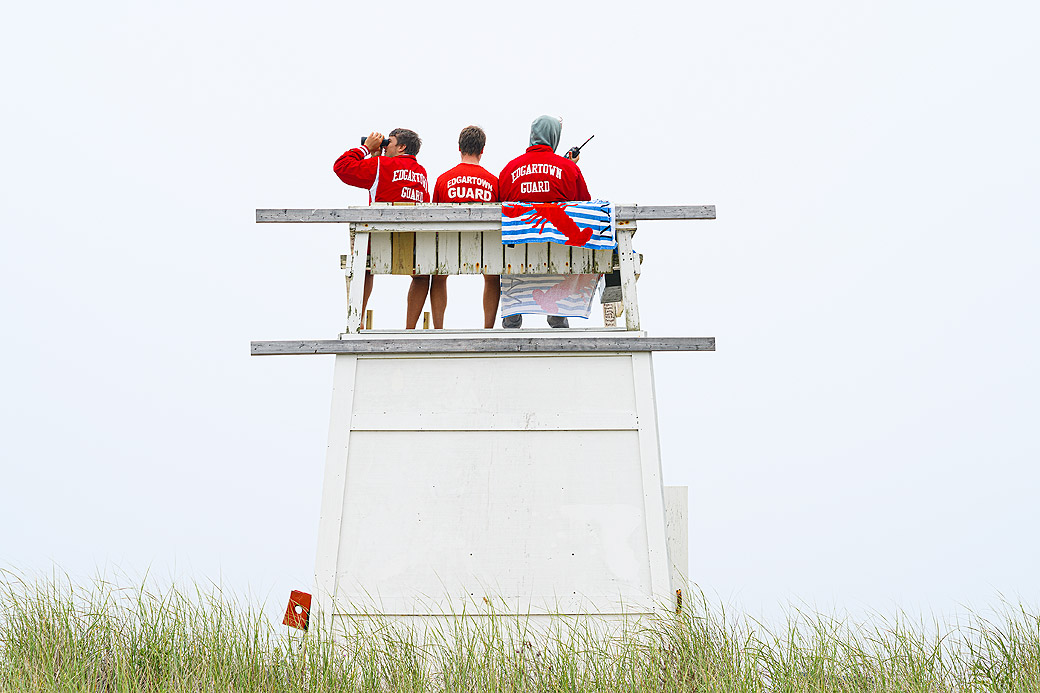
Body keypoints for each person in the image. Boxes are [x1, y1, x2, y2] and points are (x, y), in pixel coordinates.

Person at [496, 115, 591, 328]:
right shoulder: (568, 169)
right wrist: (568, 165)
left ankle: (513, 310)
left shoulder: (509, 169)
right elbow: (584, 204)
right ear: (554, 137)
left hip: (516, 252)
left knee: (513, 252)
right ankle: (559, 312)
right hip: (559, 252)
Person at [333, 128, 429, 327]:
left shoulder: (380, 165)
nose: (385, 146)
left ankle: (356, 321)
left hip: (376, 246)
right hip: (412, 249)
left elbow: (341, 167)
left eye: (389, 142)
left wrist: (366, 148)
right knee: (422, 274)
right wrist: (379, 157)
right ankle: (410, 328)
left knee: (363, 266)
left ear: (401, 147)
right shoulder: (421, 173)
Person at [432, 126, 500, 329]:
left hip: (449, 248)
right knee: (493, 273)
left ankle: (438, 329)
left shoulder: (443, 180)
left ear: (459, 147)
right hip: (485, 249)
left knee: (438, 274)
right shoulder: (494, 182)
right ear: (482, 150)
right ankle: (488, 328)